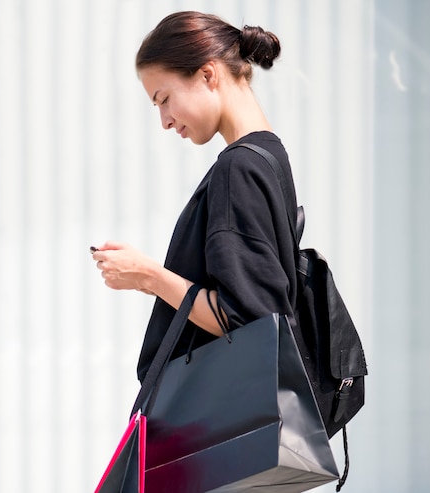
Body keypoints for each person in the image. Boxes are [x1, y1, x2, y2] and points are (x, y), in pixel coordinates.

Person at [91, 11, 298, 383]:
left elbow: (249, 319)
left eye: (164, 99)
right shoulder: (269, 156)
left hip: (226, 424)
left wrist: (150, 276)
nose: (165, 121)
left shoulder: (239, 169)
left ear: (207, 74)